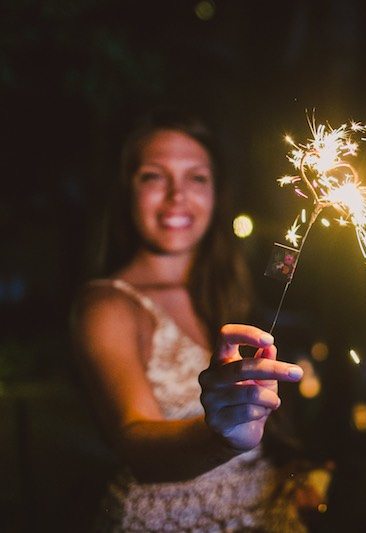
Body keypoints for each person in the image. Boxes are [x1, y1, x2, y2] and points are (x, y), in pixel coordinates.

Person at [71, 108, 325, 531]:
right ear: (125, 191)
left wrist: (289, 474)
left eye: (196, 178)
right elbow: (135, 441)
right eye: (154, 176)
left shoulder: (229, 290)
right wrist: (219, 436)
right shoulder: (107, 305)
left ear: (216, 193)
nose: (177, 196)